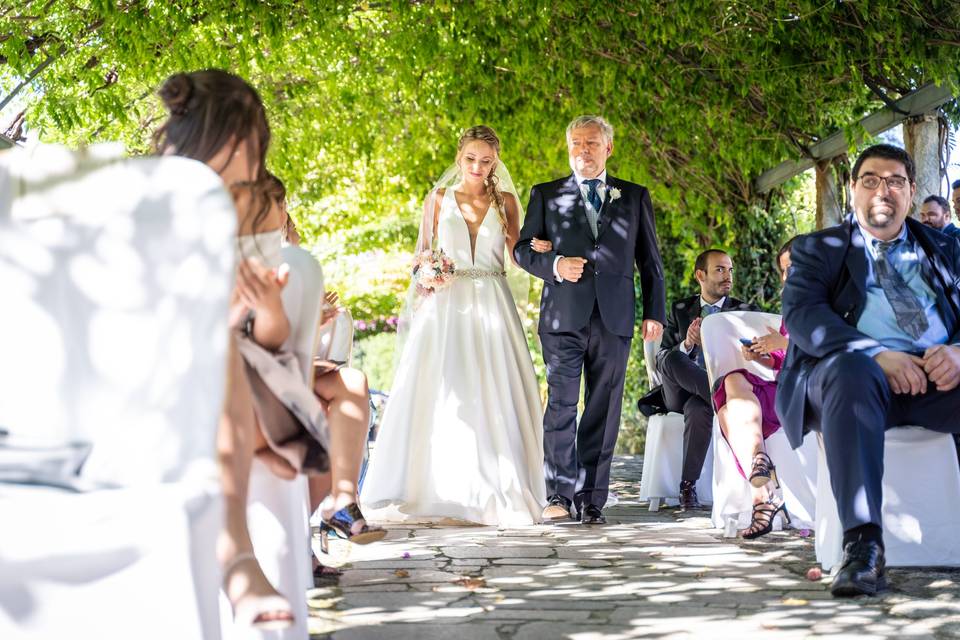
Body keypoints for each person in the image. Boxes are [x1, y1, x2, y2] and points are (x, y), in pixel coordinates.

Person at [777, 144, 960, 597]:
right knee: (852, 372)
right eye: (872, 180)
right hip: (853, 380)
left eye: (896, 181)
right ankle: (863, 548)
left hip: (936, 376)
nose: (884, 190)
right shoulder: (820, 248)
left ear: (912, 191)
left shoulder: (946, 247)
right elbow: (803, 315)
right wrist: (875, 353)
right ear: (853, 189)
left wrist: (958, 351)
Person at [154, 69, 297, 629]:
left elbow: (274, 341)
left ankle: (235, 550)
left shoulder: (248, 212)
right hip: (139, 380)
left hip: (233, 379)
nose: (242, 186)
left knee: (221, 353)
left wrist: (257, 311)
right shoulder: (148, 202)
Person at [360, 125, 547, 527]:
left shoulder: (508, 201)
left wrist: (540, 250)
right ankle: (436, 486)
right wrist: (426, 272)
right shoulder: (438, 199)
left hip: (493, 303)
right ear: (459, 157)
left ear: (495, 161)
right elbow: (420, 254)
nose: (478, 167)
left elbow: (515, 255)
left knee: (494, 387)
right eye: (471, 159)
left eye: (486, 160)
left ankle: (494, 486)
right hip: (446, 306)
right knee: (445, 390)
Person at [514, 115, 666, 525]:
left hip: (614, 319)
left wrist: (656, 313)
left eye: (592, 143)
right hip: (562, 317)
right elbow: (522, 250)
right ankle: (559, 496)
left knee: (604, 407)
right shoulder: (546, 194)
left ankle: (592, 499)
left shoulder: (634, 196)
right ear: (569, 148)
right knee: (561, 406)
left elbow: (650, 262)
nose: (583, 150)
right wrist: (556, 264)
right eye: (577, 143)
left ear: (608, 148)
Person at [657, 249, 757, 510]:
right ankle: (717, 394)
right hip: (679, 391)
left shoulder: (744, 312)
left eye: (730, 270)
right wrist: (688, 344)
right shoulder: (680, 309)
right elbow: (662, 357)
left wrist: (714, 346)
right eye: (720, 270)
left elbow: (750, 360)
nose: (728, 276)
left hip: (711, 392)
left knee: (699, 408)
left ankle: (687, 487)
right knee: (672, 358)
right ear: (700, 275)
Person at [713, 240, 794, 538]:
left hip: (808, 393)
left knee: (726, 414)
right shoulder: (793, 307)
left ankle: (764, 497)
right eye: (784, 271)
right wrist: (763, 355)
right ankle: (759, 463)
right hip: (784, 384)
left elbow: (830, 350)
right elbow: (785, 361)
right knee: (733, 378)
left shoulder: (830, 300)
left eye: (794, 267)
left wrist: (784, 344)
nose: (788, 276)